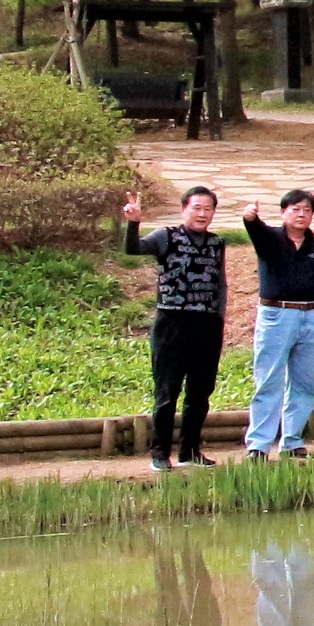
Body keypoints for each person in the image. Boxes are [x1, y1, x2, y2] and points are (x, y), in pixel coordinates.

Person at [117, 183, 229, 471]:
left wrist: (218, 319)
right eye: (197, 208)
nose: (202, 214)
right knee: (167, 391)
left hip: (206, 324)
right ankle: (160, 452)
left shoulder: (216, 243)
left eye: (208, 209)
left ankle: (190, 450)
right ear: (183, 209)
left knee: (200, 392)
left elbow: (220, 283)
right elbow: (133, 249)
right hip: (172, 322)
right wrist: (134, 223)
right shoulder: (166, 236)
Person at [241, 188, 314, 459]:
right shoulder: (271, 238)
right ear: (283, 212)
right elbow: (255, 230)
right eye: (295, 209)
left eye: (307, 210)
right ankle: (259, 445)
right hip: (276, 315)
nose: (301, 214)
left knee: (304, 382)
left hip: (311, 316)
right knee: (269, 379)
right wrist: (250, 218)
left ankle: (292, 440)